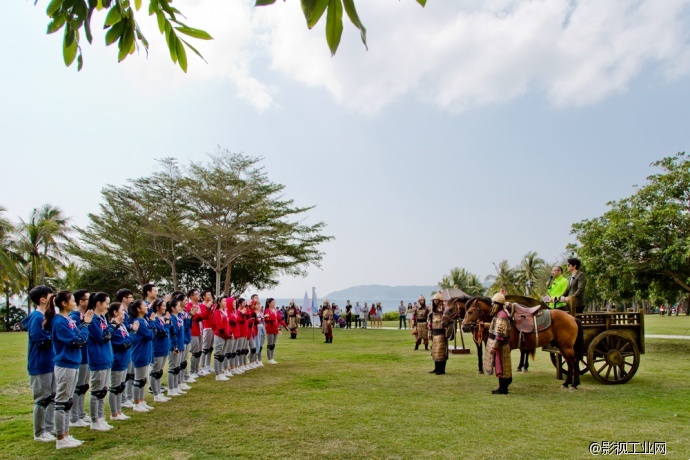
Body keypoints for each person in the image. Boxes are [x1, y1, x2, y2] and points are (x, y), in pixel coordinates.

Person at [46, 290, 92, 449]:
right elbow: (78, 340)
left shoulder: (66, 320)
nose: (75, 302)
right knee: (62, 401)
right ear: (64, 303)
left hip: (72, 362)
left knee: (67, 401)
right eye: (72, 300)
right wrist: (86, 324)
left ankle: (65, 434)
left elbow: (80, 338)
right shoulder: (59, 322)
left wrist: (83, 328)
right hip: (65, 363)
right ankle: (60, 438)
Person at [22, 285, 57, 443]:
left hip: (49, 362)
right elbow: (39, 337)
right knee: (42, 399)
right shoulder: (37, 317)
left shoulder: (46, 316)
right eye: (51, 295)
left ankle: (49, 428)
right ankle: (39, 432)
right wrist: (53, 336)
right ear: (43, 299)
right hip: (40, 363)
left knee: (50, 397)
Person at [85, 292, 116, 431]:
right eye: (106, 304)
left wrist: (110, 329)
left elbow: (108, 334)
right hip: (97, 358)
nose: (108, 307)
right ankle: (94, 421)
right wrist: (111, 328)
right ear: (98, 303)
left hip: (106, 357)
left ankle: (101, 417)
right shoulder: (92, 319)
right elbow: (101, 337)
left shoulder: (103, 318)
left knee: (103, 390)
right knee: (97, 391)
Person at [106, 302, 133, 421]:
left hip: (124, 358)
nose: (124, 312)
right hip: (117, 359)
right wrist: (125, 342)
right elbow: (119, 342)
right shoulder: (112, 326)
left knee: (121, 386)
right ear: (115, 312)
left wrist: (127, 341)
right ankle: (114, 413)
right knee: (115, 387)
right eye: (122, 310)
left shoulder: (122, 325)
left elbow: (128, 339)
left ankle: (118, 411)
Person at [68, 289, 91, 427]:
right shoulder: (74, 316)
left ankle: (80, 413)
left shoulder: (85, 315)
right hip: (79, 357)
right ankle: (74, 416)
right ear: (81, 301)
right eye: (88, 299)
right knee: (77, 387)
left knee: (83, 386)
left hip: (86, 356)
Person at [128, 300, 155, 412]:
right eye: (144, 305)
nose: (147, 307)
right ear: (138, 309)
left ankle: (141, 400)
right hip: (139, 352)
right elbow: (149, 335)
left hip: (146, 351)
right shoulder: (138, 321)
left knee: (142, 379)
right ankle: (136, 403)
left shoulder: (143, 320)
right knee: (138, 379)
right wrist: (152, 323)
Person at [484, 292, 512, 395]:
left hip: (501, 345)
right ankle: (501, 387)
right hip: (501, 345)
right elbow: (494, 327)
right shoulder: (499, 314)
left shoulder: (501, 315)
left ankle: (503, 389)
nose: (492, 306)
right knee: (501, 365)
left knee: (503, 366)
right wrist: (483, 325)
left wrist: (494, 347)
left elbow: (499, 334)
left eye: (493, 303)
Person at [149, 299, 171, 401]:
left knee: (159, 372)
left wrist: (166, 323)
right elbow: (163, 332)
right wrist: (167, 323)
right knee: (155, 371)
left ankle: (158, 391)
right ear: (157, 307)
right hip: (157, 348)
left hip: (164, 347)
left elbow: (168, 331)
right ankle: (156, 394)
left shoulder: (162, 318)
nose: (165, 308)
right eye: (163, 306)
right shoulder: (155, 319)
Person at [167, 298, 188, 393]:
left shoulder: (178, 317)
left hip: (180, 344)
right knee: (173, 367)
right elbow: (172, 333)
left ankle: (176, 386)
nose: (180, 307)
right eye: (178, 306)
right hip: (174, 346)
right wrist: (175, 345)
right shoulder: (172, 318)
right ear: (173, 308)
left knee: (177, 367)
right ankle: (171, 388)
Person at [428, 292, 450, 375]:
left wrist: (446, 327)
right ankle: (436, 368)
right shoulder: (433, 311)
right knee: (435, 351)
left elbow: (448, 320)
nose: (435, 302)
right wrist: (430, 332)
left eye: (437, 300)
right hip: (434, 332)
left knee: (441, 351)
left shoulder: (444, 310)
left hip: (441, 333)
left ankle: (442, 369)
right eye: (434, 300)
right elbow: (430, 322)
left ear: (440, 301)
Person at [211, 296, 232, 381]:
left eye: (225, 301)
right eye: (223, 301)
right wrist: (226, 334)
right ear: (219, 302)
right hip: (220, 335)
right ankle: (217, 374)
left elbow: (227, 324)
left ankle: (221, 371)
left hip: (226, 335)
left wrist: (230, 333)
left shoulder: (224, 312)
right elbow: (219, 326)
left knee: (222, 355)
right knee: (218, 354)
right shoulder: (217, 312)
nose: (225, 303)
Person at [185, 289, 203, 379]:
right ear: (191, 296)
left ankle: (196, 369)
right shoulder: (189, 305)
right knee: (195, 352)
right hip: (194, 331)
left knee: (199, 351)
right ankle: (192, 371)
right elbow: (194, 317)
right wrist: (197, 315)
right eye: (196, 294)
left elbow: (202, 316)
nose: (198, 295)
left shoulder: (199, 306)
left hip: (200, 330)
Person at [264, 298, 287, 364]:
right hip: (270, 329)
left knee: (273, 344)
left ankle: (272, 358)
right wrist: (268, 319)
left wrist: (285, 325)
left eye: (274, 302)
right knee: (270, 344)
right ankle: (269, 359)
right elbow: (266, 319)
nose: (274, 304)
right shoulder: (267, 310)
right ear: (269, 303)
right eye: (273, 302)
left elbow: (280, 319)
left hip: (276, 329)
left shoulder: (276, 310)